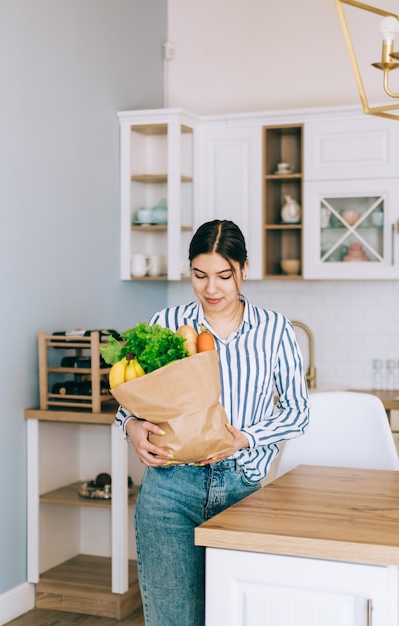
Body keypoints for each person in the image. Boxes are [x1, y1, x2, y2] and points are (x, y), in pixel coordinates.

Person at [116, 219, 310, 626]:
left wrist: (246, 438)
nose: (211, 289)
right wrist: (132, 428)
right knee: (174, 620)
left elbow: (297, 411)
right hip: (169, 491)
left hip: (242, 490)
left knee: (236, 616)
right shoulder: (166, 322)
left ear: (244, 268)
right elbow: (130, 401)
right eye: (199, 275)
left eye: (224, 275)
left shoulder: (275, 330)